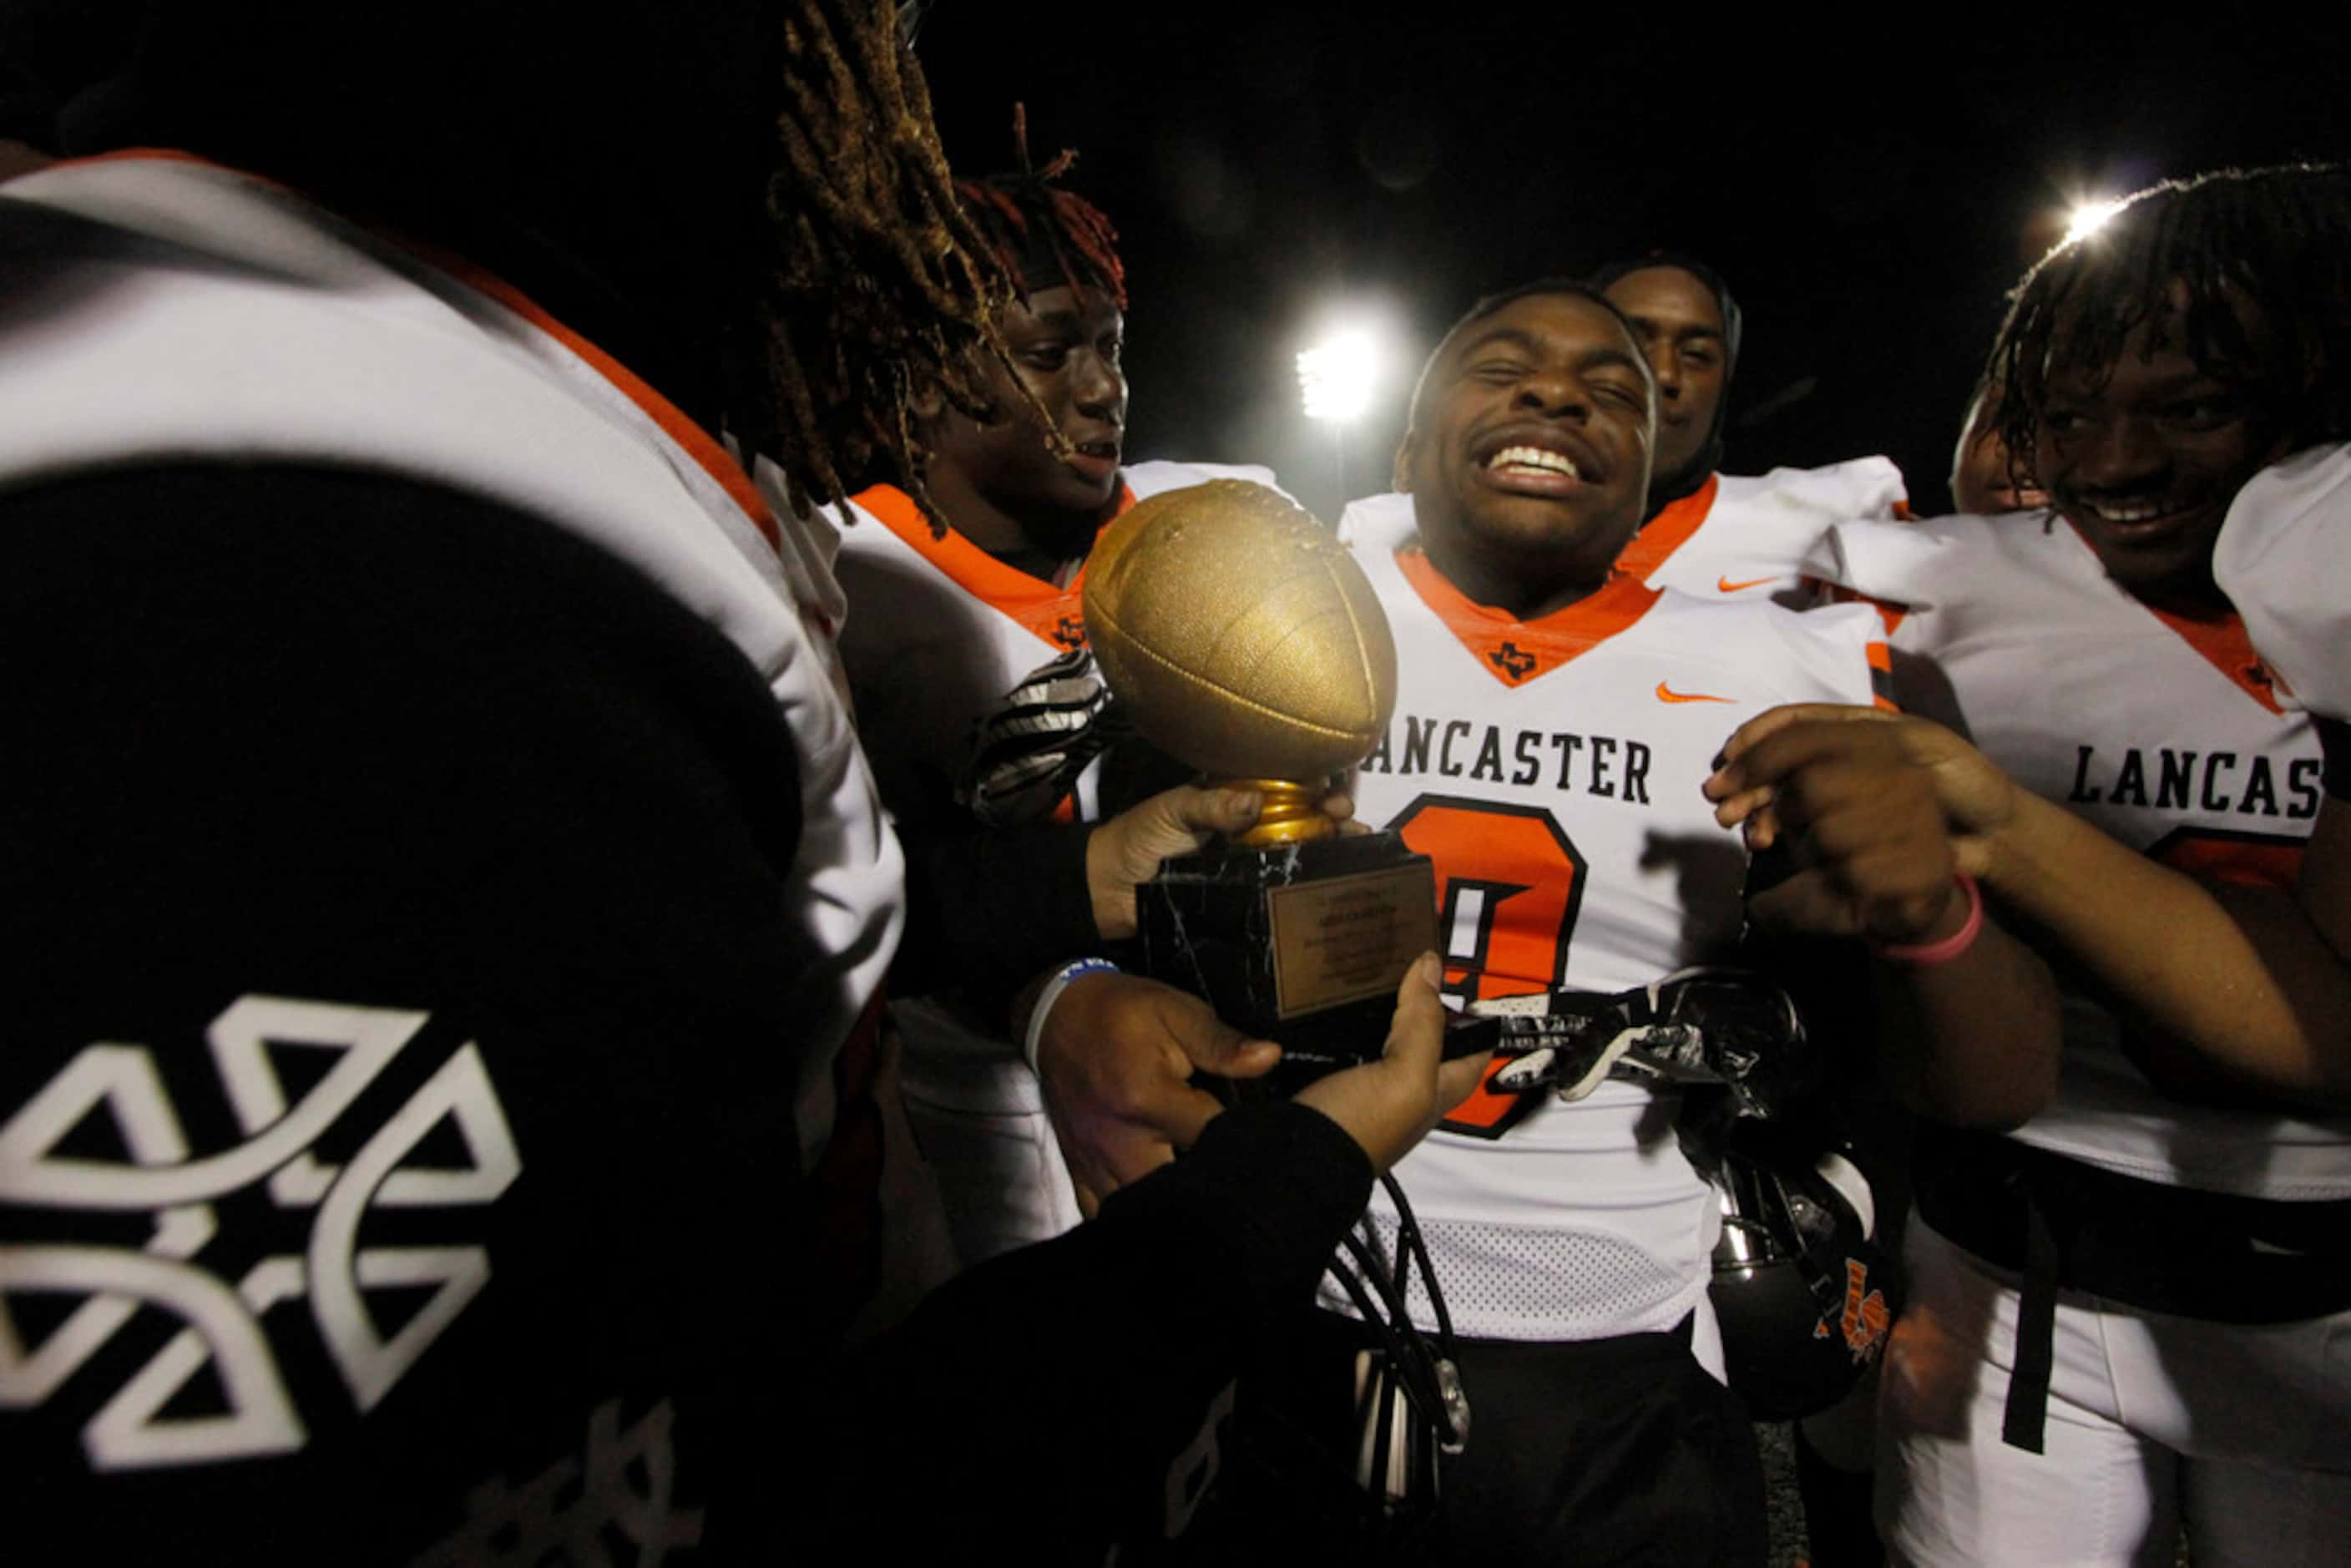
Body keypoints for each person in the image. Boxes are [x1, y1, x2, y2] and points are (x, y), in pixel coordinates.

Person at [0, 3, 1484, 1560]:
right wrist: (1264, 1204)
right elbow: (695, 1475)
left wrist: (1068, 928)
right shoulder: (396, 514)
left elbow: (740, 955)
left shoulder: (496, 403)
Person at [1192, 279, 2055, 1564]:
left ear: (1657, 467)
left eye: (1613, 392)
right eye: (1505, 368)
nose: (1557, 394)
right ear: (1405, 445)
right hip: (1297, 1293)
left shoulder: (1799, 665)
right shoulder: (1263, 623)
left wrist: (1928, 911)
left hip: (1621, 1348)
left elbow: (1995, 1073)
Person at [1714, 164, 2351, 1567]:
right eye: (2069, 415)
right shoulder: (1934, 587)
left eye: (2188, 405)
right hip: (2023, 1266)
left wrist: (1990, 819)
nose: (2113, 463)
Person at [827, 134, 1299, 1267]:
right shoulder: (850, 572)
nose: (1102, 387)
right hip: (961, 1101)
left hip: (1212, 1049)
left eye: (1110, 346)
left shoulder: (1201, 523)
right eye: (1050, 353)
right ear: (933, 368)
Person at [1337, 252, 1907, 606]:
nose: (1663, 374)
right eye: (1633, 344)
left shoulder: (1820, 521)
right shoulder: (1391, 539)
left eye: (1697, 353)